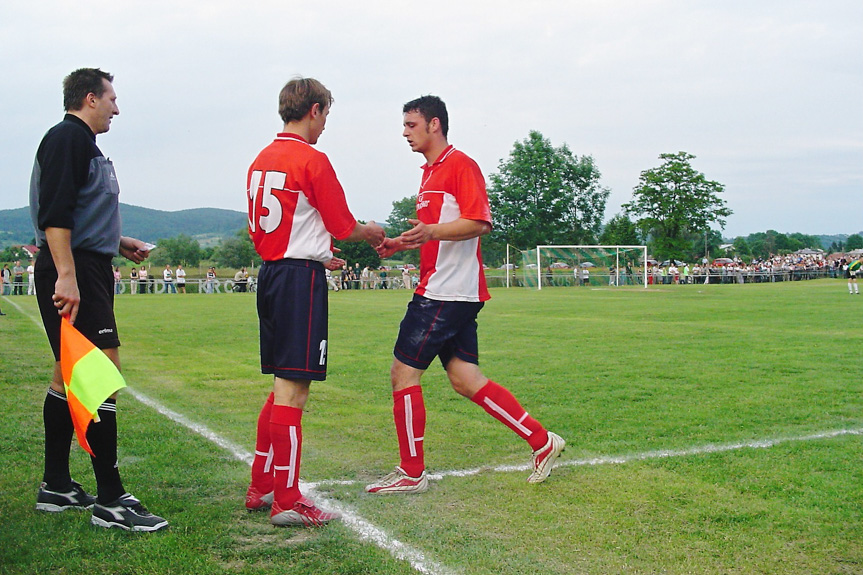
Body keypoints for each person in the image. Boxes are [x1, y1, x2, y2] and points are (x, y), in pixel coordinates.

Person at [366, 95, 564, 495]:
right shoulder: (429, 173)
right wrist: (399, 244)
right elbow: (434, 233)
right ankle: (543, 442)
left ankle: (411, 472)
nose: (404, 133)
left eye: (411, 125)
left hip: (445, 291)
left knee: (403, 373)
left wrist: (432, 232)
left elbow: (479, 222)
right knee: (465, 379)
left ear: (434, 124)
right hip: (448, 289)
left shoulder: (460, 165)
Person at [28, 68, 167, 531]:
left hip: (87, 262)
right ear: (90, 98)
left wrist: (117, 241)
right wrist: (67, 274)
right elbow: (55, 214)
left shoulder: (82, 143)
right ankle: (110, 500)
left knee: (68, 373)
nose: (116, 108)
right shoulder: (68, 138)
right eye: (111, 99)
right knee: (100, 369)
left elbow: (80, 210)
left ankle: (56, 485)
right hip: (75, 269)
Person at [244, 77, 385, 526]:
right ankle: (287, 499)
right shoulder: (310, 158)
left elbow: (281, 227)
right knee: (293, 390)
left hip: (272, 274)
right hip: (298, 282)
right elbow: (343, 225)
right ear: (315, 110)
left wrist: (318, 253)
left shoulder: (260, 159)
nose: (325, 125)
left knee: (281, 384)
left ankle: (262, 485)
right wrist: (373, 232)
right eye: (326, 115)